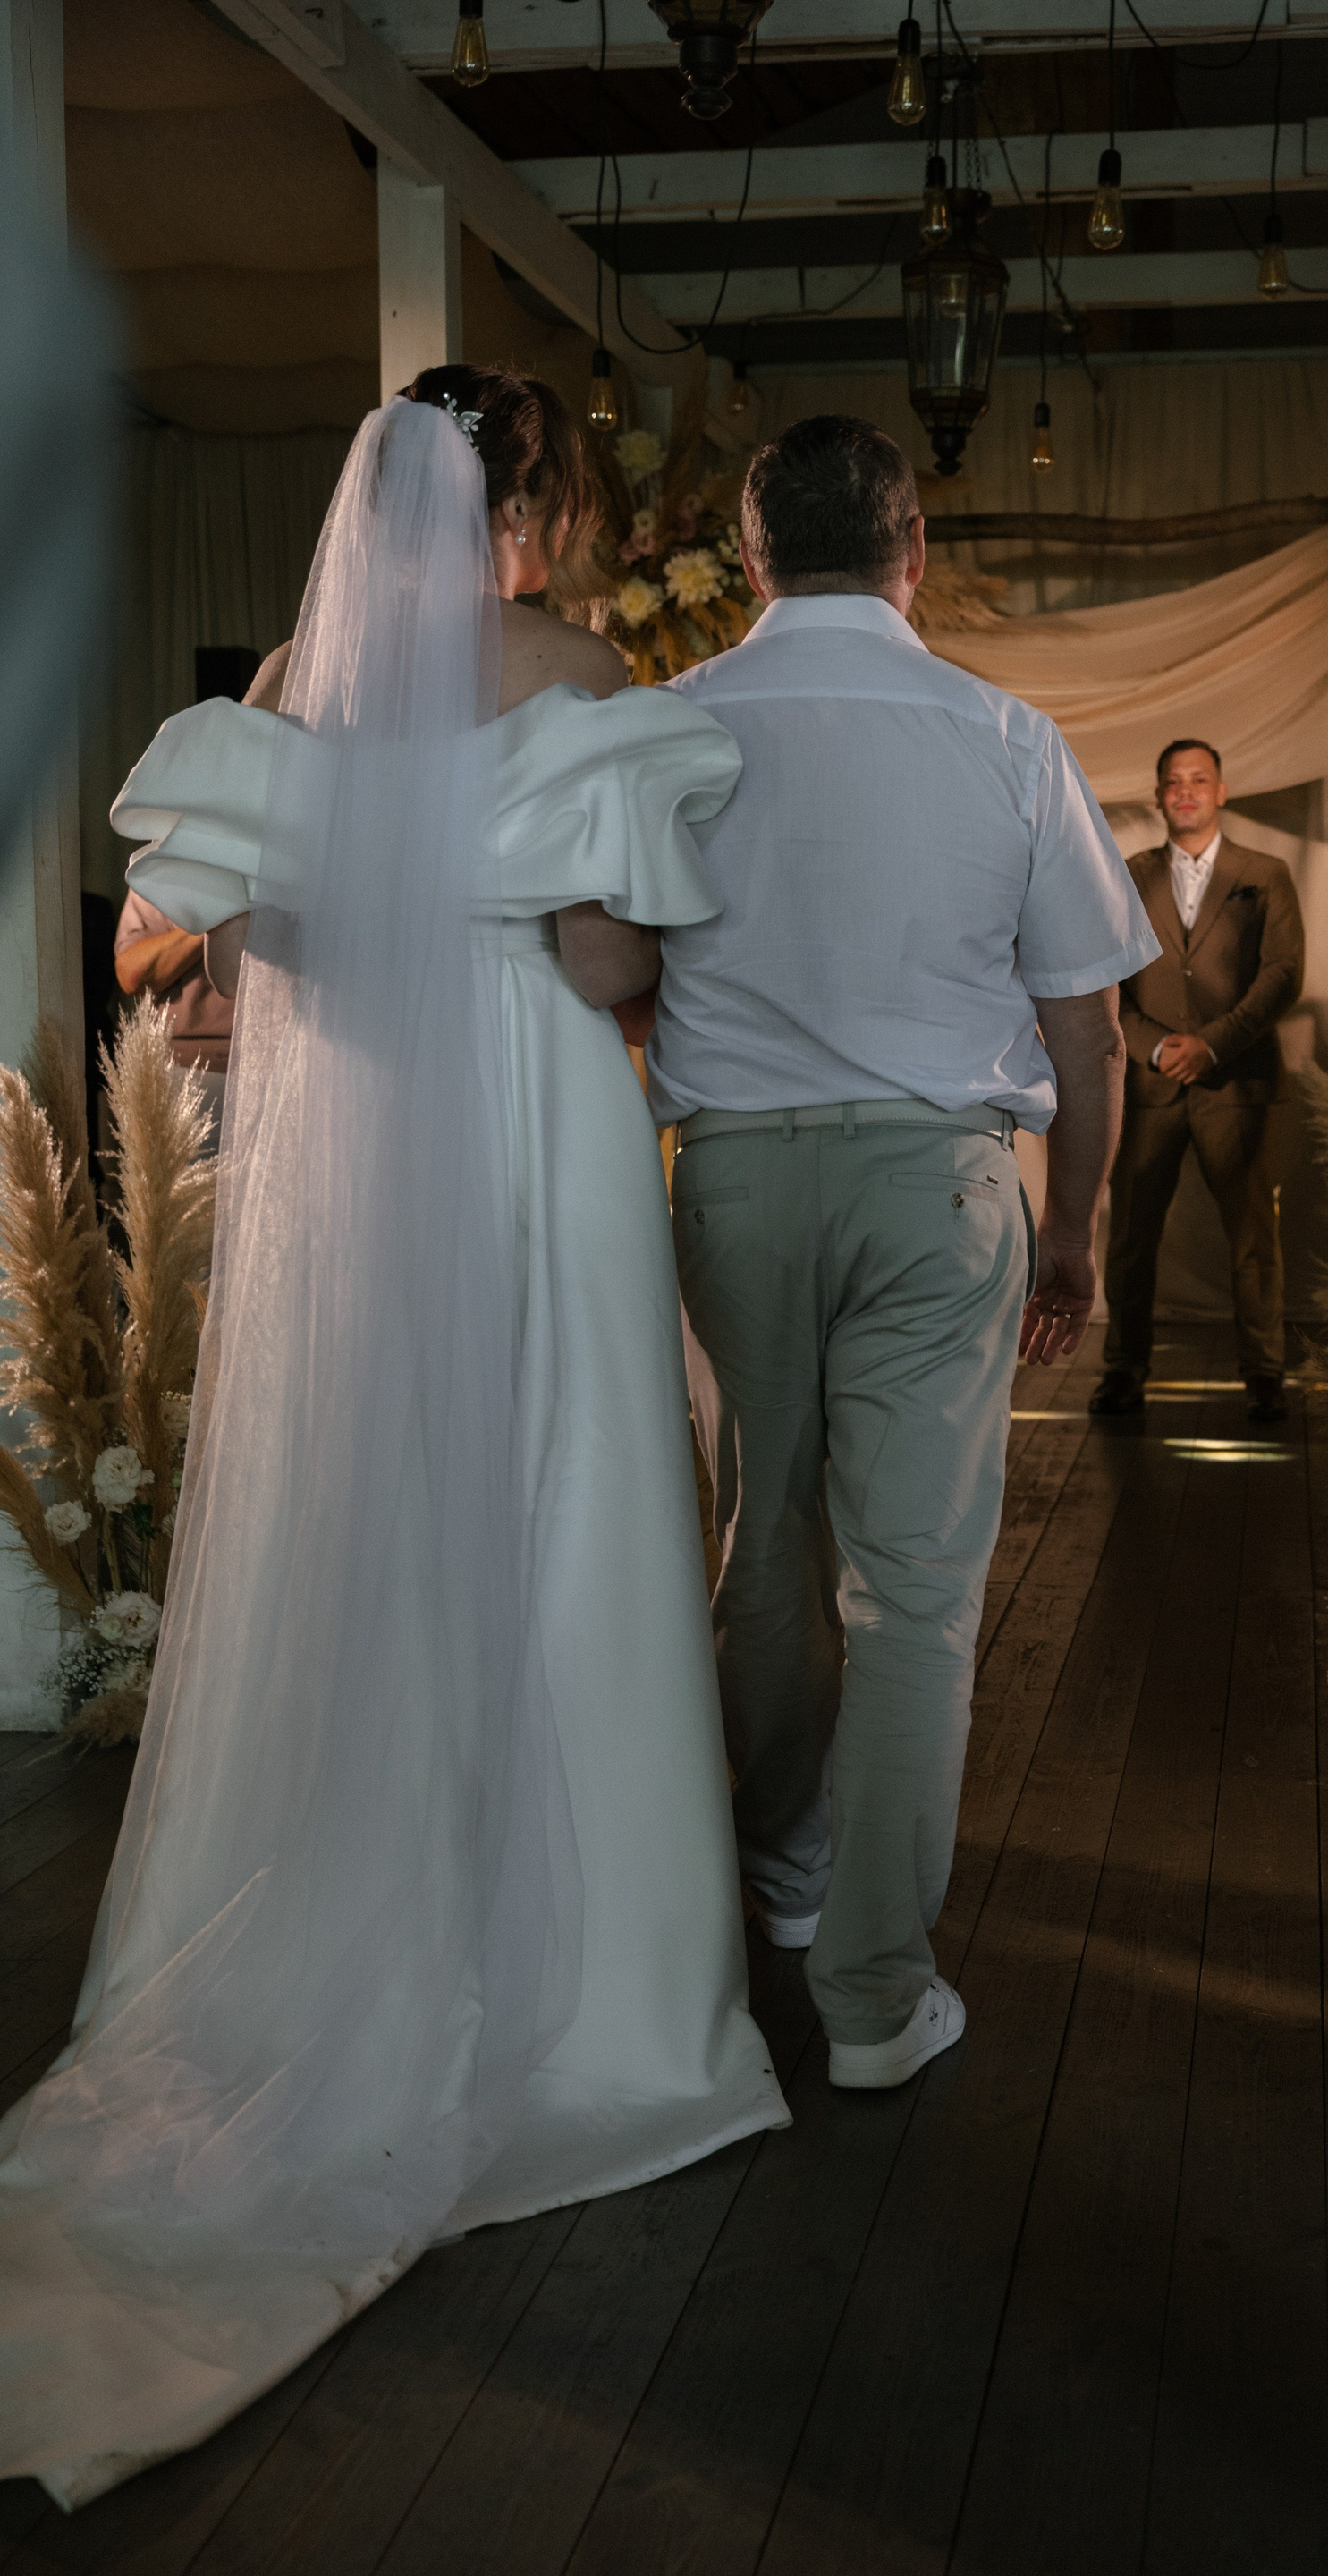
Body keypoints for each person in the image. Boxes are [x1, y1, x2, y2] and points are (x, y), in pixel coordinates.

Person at [0, 367, 788, 2512]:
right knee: (570, 1507)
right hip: (533, 1123)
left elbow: (255, 944)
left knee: (362, 1528)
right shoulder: (572, 675)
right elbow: (612, 956)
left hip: (355, 1155)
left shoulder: (286, 688)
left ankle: (339, 1917)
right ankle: (595, 1988)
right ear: (536, 504)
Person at [649, 414, 1157, 2092]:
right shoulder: (1006, 737)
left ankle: (784, 1876)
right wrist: (1072, 1231)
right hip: (939, 1187)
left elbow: (607, 965)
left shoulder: (674, 728)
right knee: (918, 1596)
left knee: (763, 1550)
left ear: (750, 556)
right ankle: (873, 1997)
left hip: (732, 1181)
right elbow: (1089, 1029)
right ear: (914, 552)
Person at [1089, 737, 1305, 1424]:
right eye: (1174, 781)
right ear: (1159, 797)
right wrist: (1154, 1048)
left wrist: (1213, 1045)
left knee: (1254, 1240)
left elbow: (1282, 975)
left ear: (1221, 791)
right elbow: (1106, 981)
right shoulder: (1127, 876)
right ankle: (1123, 1369)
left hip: (1237, 1084)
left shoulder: (1264, 874)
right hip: (1147, 1086)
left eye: (1199, 779)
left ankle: (1264, 1373)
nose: (1186, 791)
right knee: (1131, 1237)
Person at [114, 887, 233, 1139]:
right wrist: (221, 916)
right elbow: (132, 974)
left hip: (284, 1063)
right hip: (189, 1070)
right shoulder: (161, 874)